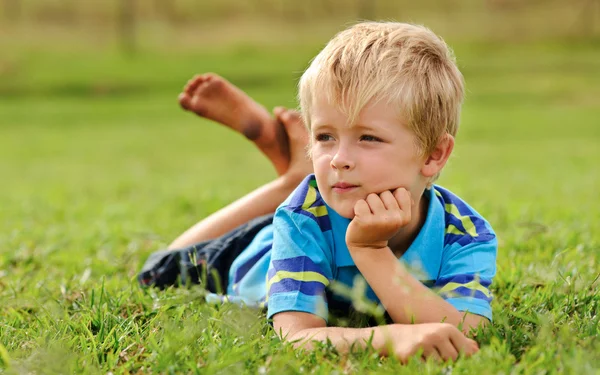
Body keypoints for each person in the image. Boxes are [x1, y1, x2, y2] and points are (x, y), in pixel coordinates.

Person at [139, 22, 497, 363]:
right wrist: (391, 331)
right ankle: (288, 181)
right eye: (324, 137)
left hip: (312, 211)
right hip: (252, 254)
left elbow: (468, 332)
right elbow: (296, 337)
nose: (339, 159)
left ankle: (294, 173)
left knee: (298, 195)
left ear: (434, 154)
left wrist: (373, 254)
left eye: (368, 137)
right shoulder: (301, 219)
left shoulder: (464, 232)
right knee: (157, 270)